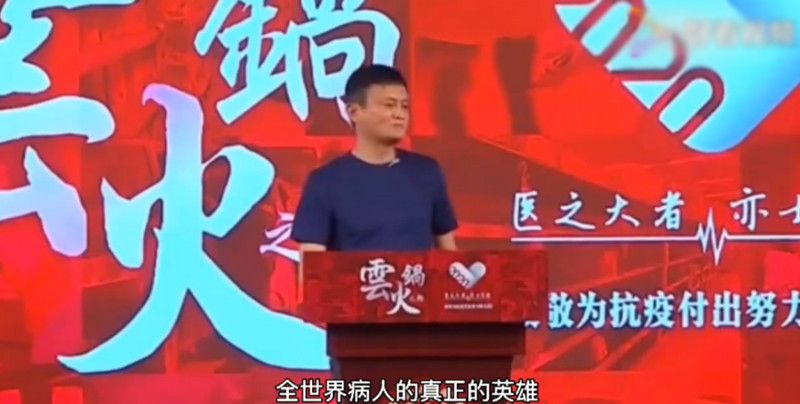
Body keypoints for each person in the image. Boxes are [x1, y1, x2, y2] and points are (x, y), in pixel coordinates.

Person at [290, 64, 459, 253]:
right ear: (353, 112)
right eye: (389, 105)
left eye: (404, 106)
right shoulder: (325, 182)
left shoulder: (427, 173)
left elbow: (449, 255)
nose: (399, 114)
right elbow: (313, 264)